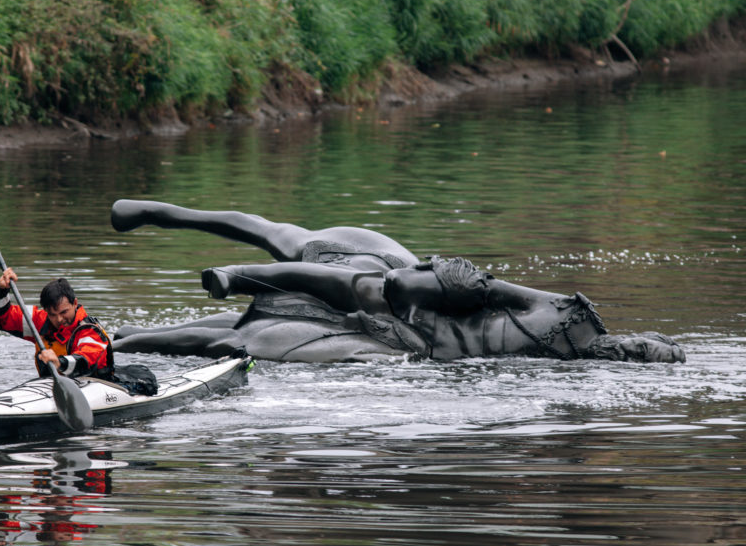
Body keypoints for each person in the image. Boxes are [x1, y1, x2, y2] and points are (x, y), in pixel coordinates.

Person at [110, 200, 686, 364]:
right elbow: (508, 295)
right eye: (643, 345)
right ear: (640, 336)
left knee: (238, 336)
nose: (633, 349)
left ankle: (128, 338)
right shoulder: (574, 315)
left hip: (426, 340)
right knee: (363, 284)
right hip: (444, 299)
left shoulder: (576, 362)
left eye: (641, 355)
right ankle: (226, 266)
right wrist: (465, 283)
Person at [0, 267, 114, 379]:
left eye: (64, 312)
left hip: (97, 386)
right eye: (53, 314)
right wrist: (1, 290)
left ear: (75, 303)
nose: (59, 319)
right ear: (46, 310)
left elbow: (85, 362)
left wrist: (60, 363)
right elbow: (1, 318)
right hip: (50, 388)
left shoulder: (90, 332)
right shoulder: (40, 320)